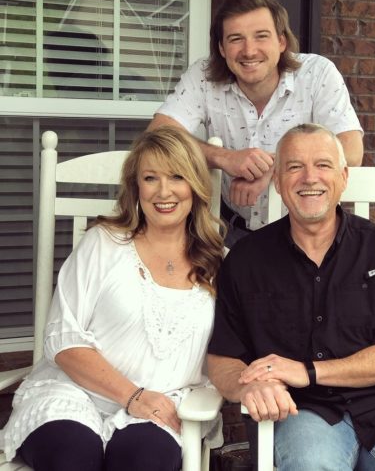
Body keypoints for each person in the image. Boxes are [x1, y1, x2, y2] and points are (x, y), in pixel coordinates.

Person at [207, 123, 375, 470]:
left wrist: (308, 371)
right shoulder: (246, 259)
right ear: (278, 182)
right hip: (300, 410)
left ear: (343, 177)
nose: (310, 178)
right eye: (295, 167)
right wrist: (247, 388)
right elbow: (223, 359)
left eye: (323, 165)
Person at [0, 126, 225, 471]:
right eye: (151, 178)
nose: (164, 191)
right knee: (73, 457)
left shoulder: (220, 263)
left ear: (195, 185)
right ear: (136, 187)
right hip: (73, 395)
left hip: (161, 407)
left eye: (177, 176)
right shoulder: (104, 243)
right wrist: (132, 396)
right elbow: (63, 340)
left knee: (143, 461)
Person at [147, 0, 364, 245]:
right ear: (222, 47)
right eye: (236, 38)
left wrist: (274, 166)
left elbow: (351, 151)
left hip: (308, 233)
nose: (249, 51)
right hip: (232, 235)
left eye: (261, 36)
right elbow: (158, 135)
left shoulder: (317, 74)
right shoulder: (203, 77)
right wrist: (224, 158)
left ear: (281, 41)